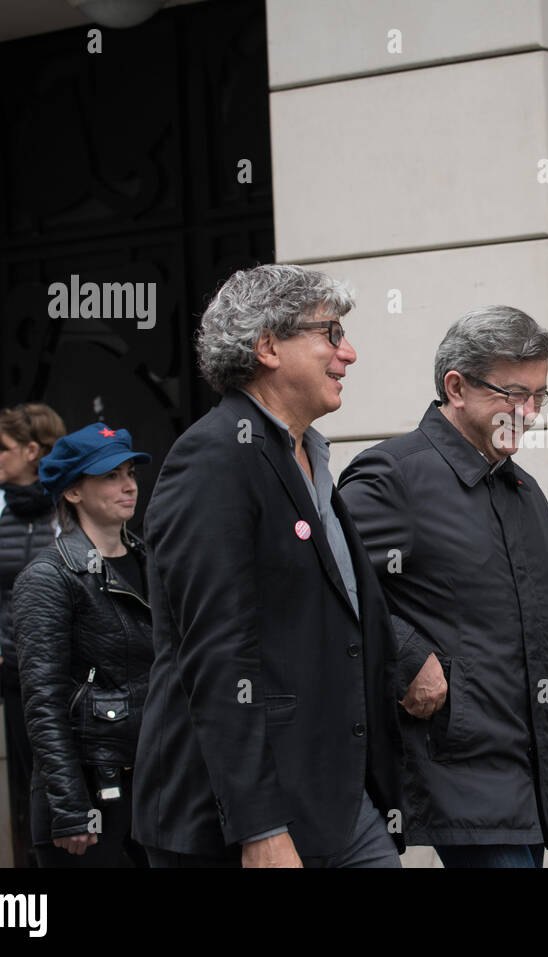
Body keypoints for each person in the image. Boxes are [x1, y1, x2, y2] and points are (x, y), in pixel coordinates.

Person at [338, 304, 548, 868]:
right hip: (456, 769)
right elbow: (330, 587)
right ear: (456, 386)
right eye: (512, 394)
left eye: (540, 396)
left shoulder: (526, 493)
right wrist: (408, 658)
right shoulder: (391, 476)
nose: (529, 412)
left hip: (527, 774)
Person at [132, 264, 405, 868]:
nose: (349, 353)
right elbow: (217, 653)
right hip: (240, 818)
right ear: (266, 347)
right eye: (330, 333)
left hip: (337, 798)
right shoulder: (212, 458)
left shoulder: (311, 454)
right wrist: (259, 827)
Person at [11, 423, 154, 868]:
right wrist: (71, 809)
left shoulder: (151, 560)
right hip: (91, 801)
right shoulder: (49, 577)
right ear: (74, 492)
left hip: (156, 789)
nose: (128, 484)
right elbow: (43, 703)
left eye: (129, 471)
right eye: (110, 475)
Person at [0, 402, 66, 867]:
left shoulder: (70, 504)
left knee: (73, 778)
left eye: (0, 449)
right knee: (33, 781)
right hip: (16, 672)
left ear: (31, 451)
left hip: (69, 672)